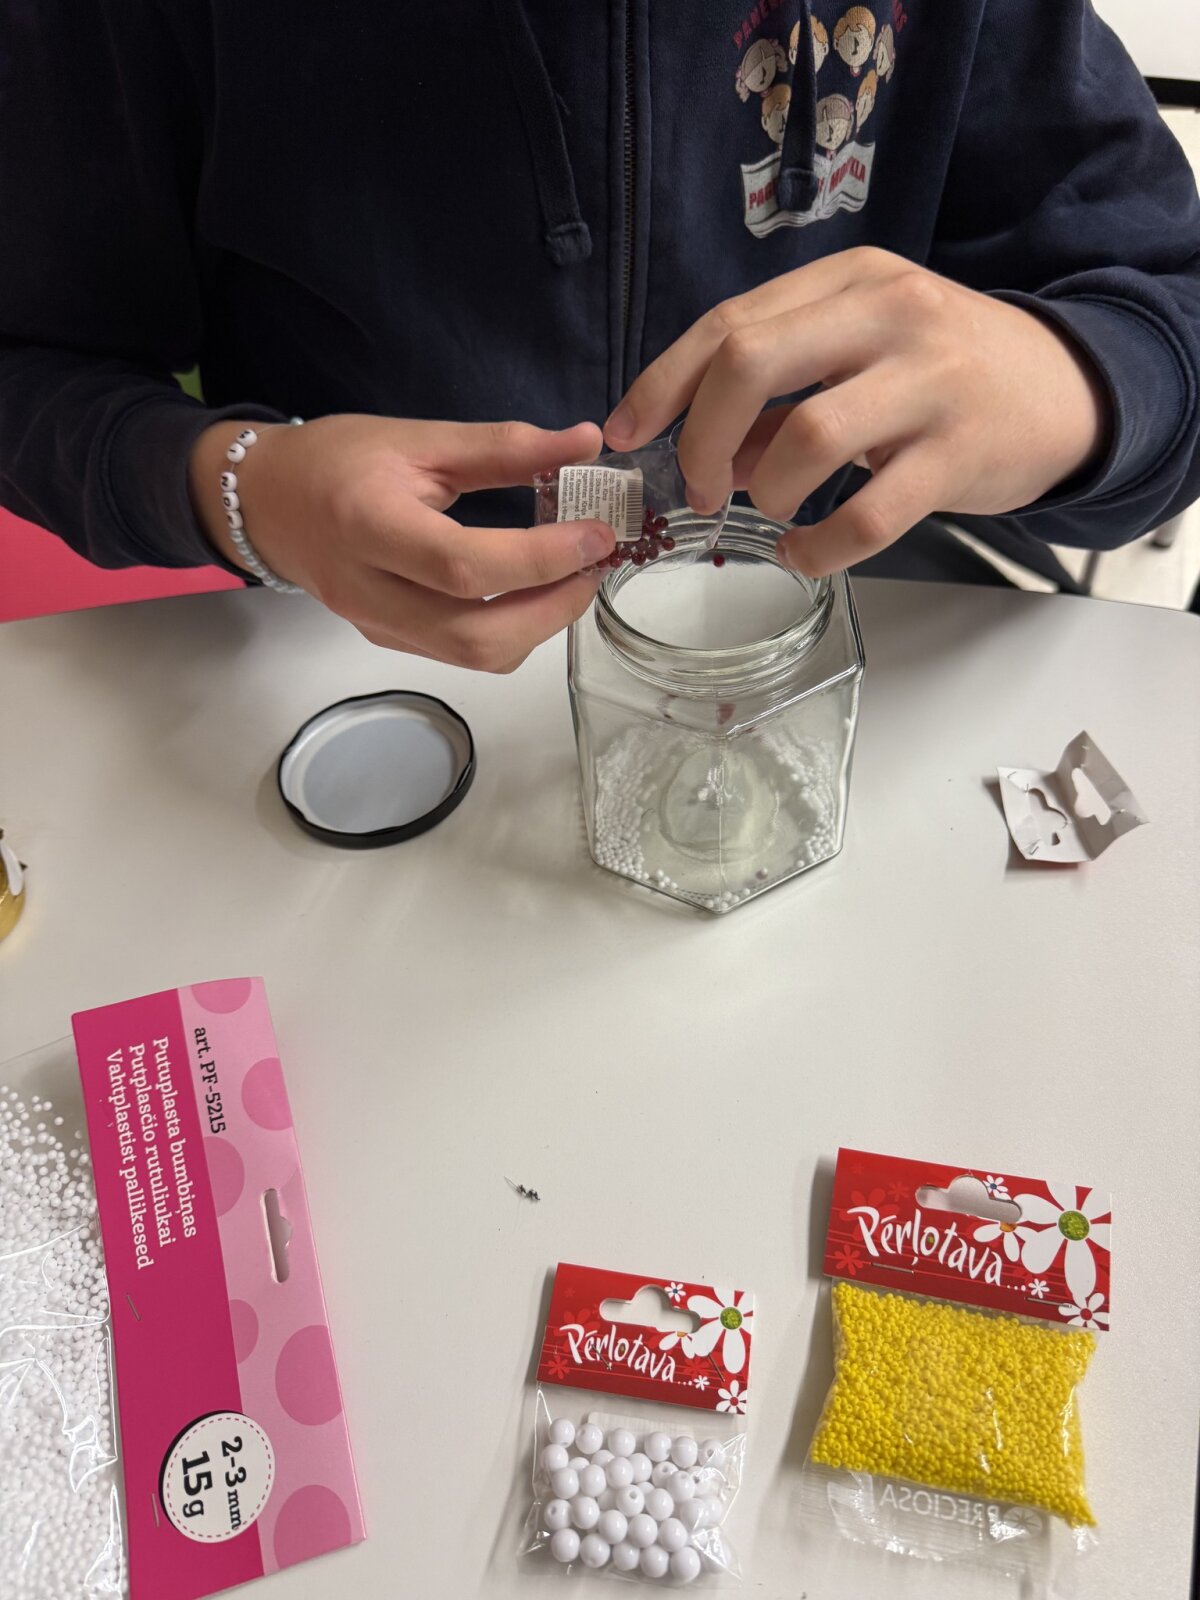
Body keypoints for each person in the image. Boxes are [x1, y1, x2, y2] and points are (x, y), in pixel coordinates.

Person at [1, 3, 1198, 674]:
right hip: (341, 657)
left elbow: (1170, 312)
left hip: (839, 637)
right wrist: (239, 489)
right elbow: (34, 362)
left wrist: (1075, 386)